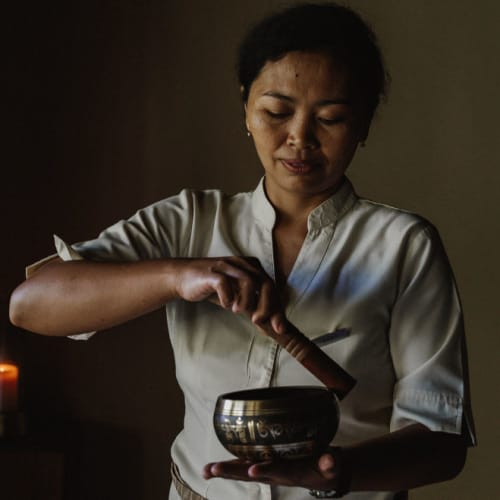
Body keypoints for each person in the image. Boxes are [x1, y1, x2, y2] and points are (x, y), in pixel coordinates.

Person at [9, 3, 475, 499]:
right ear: (245, 109)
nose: (299, 137)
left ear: (362, 125)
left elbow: (442, 441)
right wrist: (176, 277)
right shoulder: (188, 222)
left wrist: (341, 472)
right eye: (276, 111)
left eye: (332, 118)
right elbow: (30, 305)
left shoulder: (405, 246)